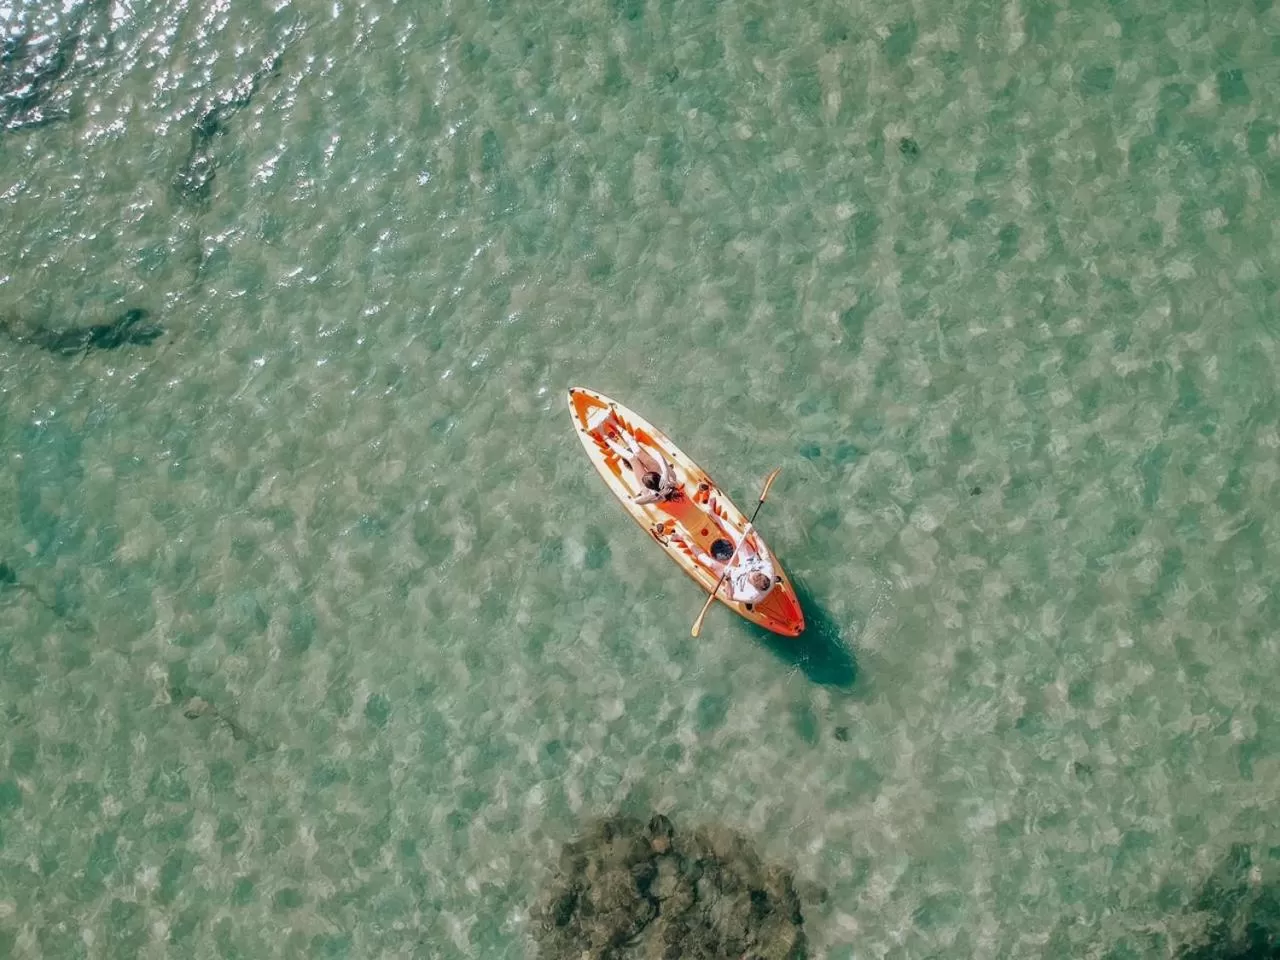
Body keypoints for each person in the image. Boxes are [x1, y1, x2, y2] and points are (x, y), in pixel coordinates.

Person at [676, 526, 778, 605]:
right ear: (762, 573)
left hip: (737, 579)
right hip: (750, 563)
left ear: (752, 585)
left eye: (750, 576)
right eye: (755, 573)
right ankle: (712, 513)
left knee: (710, 563)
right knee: (739, 538)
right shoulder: (768, 571)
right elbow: (763, 551)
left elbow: (729, 596)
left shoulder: (751, 595)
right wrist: (754, 533)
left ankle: (683, 538)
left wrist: (728, 579)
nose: (750, 573)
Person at [601, 428, 679, 504]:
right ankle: (617, 427)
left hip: (647, 482)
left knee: (632, 458)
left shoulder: (655, 496)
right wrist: (665, 473)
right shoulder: (671, 479)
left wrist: (655, 495)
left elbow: (636, 501)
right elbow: (658, 454)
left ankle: (606, 438)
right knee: (637, 452)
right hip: (655, 475)